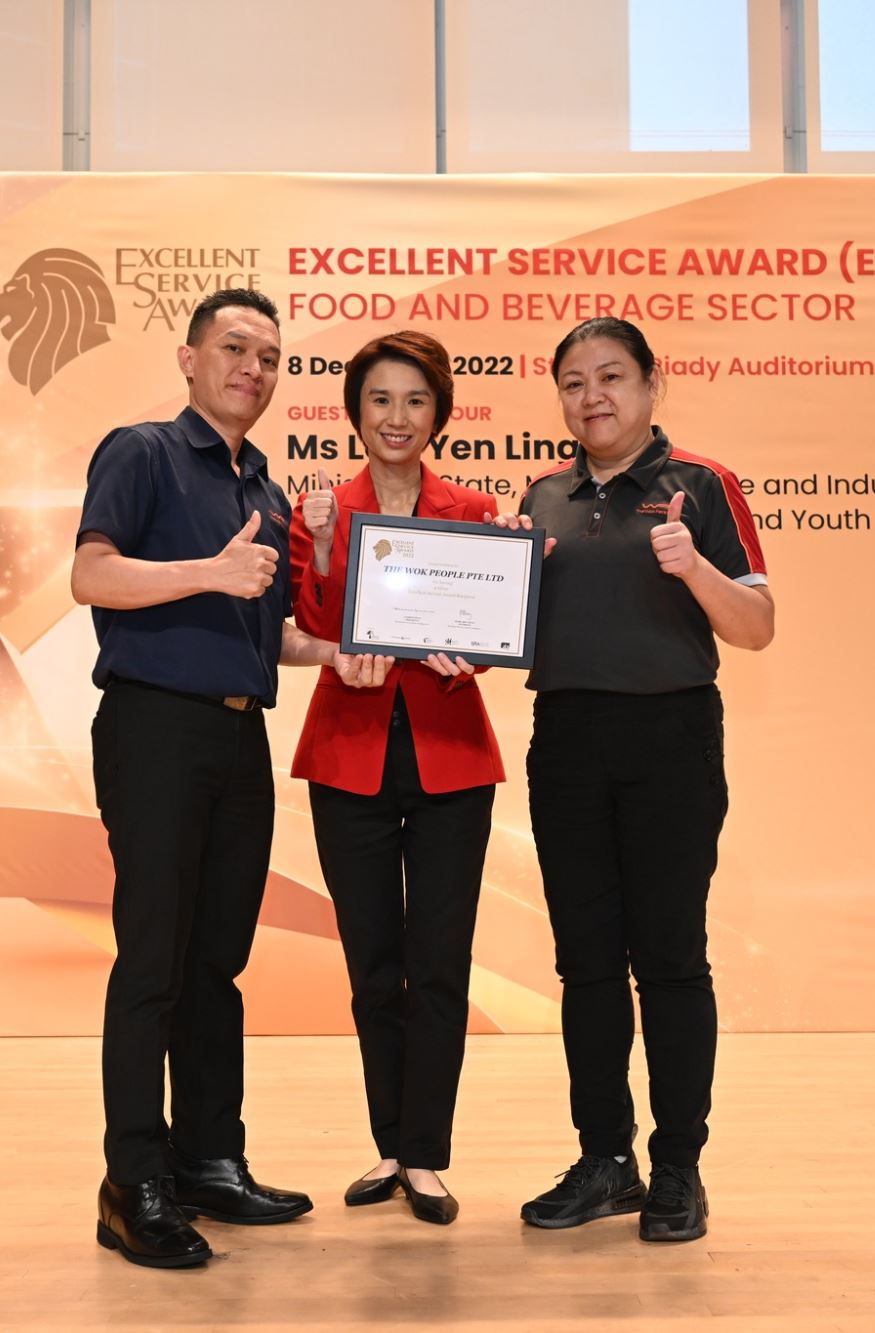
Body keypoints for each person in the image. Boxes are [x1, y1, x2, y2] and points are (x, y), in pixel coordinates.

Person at [72, 288, 388, 1269]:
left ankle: (209, 1157)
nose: (252, 368)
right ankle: (133, 1182)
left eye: (270, 356)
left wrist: (333, 652)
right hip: (154, 729)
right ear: (188, 356)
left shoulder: (268, 491)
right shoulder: (142, 452)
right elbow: (91, 574)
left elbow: (274, 626)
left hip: (237, 737)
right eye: (234, 348)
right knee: (154, 963)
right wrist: (203, 573)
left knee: (216, 963)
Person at [496, 316, 773, 1244]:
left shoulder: (701, 485)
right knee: (585, 964)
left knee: (670, 958)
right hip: (567, 738)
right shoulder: (541, 497)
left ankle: (679, 1167)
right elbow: (509, 638)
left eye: (612, 377)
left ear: (653, 384)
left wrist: (695, 567)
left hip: (670, 738)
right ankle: (605, 1158)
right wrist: (472, 628)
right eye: (573, 382)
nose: (593, 397)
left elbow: (756, 628)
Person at [286, 331, 504, 1226]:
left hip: (452, 758)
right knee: (374, 962)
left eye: (415, 400)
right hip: (349, 755)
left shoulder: (476, 509)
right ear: (355, 412)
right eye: (380, 399)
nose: (397, 417)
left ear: (439, 415)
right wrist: (331, 549)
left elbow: (487, 634)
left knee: (440, 963)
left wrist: (479, 643)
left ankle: (426, 1154)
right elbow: (307, 620)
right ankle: (387, 1140)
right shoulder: (321, 508)